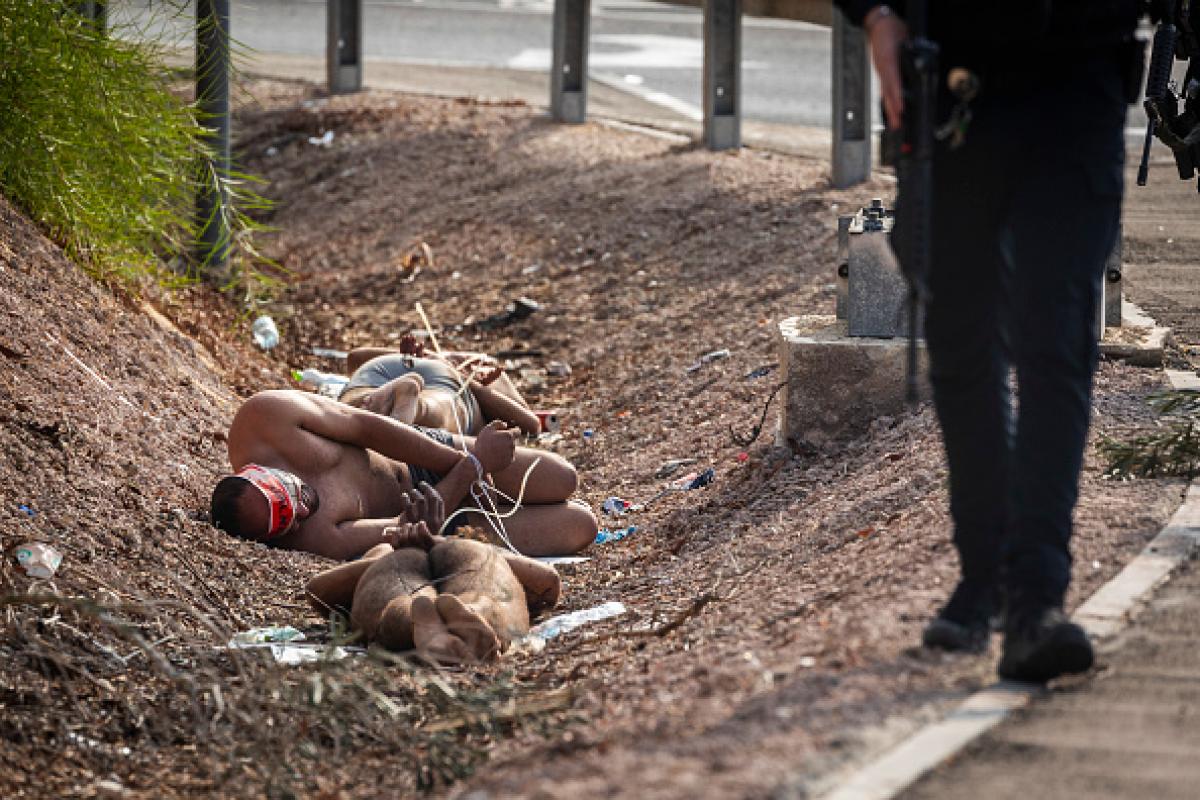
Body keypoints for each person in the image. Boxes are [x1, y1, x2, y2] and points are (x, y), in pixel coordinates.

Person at [837, 1, 1141, 681]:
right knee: (962, 339)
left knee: (1055, 337)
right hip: (952, 87)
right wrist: (876, 13)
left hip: (1079, 82)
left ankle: (1036, 600)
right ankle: (984, 578)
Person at [209, 389, 597, 559]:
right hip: (440, 514)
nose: (302, 506)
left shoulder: (264, 418)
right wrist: (473, 468)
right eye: (287, 519)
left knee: (562, 476)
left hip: (418, 456)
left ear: (259, 471)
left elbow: (366, 426)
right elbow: (407, 526)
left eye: (287, 495)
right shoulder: (313, 537)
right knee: (580, 525)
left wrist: (458, 460)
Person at [304, 525, 562, 663]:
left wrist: (395, 550)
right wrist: (436, 542)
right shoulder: (478, 544)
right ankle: (479, 615)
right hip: (462, 548)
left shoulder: (381, 548)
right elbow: (547, 581)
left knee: (401, 599)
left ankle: (410, 622)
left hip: (404, 558)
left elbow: (317, 592)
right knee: (483, 588)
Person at [339, 337, 541, 438]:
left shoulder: (484, 368)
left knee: (358, 397)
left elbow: (354, 358)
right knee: (436, 407)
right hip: (444, 380)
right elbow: (530, 424)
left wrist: (422, 358)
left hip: (385, 369)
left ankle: (365, 404)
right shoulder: (483, 365)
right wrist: (470, 382)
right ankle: (414, 406)